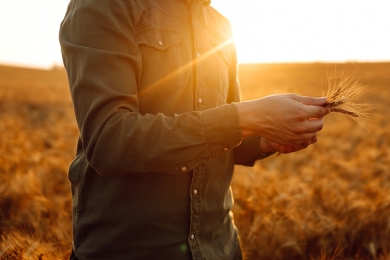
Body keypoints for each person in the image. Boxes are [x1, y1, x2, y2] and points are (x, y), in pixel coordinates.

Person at [59, 0, 330, 259]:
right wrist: (248, 117)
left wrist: (265, 140)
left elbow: (225, 134)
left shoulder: (220, 25)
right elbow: (109, 139)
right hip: (132, 249)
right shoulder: (105, 4)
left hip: (220, 247)